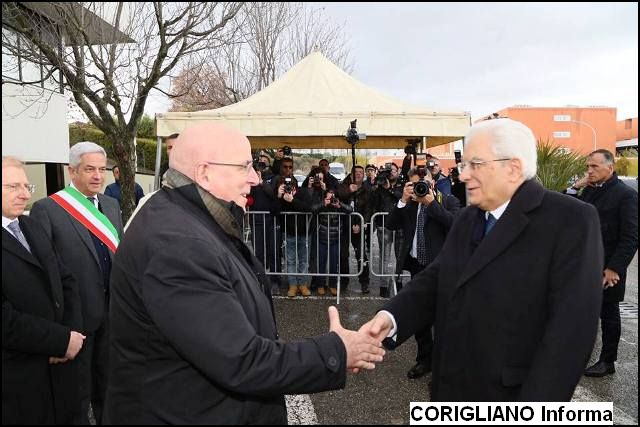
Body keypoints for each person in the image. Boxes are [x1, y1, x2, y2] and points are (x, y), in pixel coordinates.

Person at [103, 123, 385, 424]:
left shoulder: (189, 219)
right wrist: (337, 352)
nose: (255, 178)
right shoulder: (178, 244)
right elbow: (241, 360)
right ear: (204, 172)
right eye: (245, 166)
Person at [360, 118, 604, 401]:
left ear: (512, 168)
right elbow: (437, 277)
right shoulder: (467, 217)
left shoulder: (571, 221)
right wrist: (391, 317)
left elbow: (571, 333)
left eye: (474, 165)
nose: (463, 176)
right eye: (464, 166)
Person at [30, 142, 124, 424]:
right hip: (75, 318)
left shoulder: (111, 205)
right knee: (76, 395)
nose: (98, 176)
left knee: (110, 388)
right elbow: (44, 272)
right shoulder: (47, 209)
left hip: (112, 313)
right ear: (72, 171)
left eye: (101, 169)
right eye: (89, 169)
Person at [2, 157, 85, 425]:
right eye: (13, 186)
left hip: (61, 377)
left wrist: (71, 337)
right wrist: (59, 340)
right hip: (18, 383)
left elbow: (67, 279)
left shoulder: (29, 225)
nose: (24, 194)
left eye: (26, 186)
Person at [567, 149, 638, 377]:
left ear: (610, 167)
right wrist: (576, 186)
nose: (589, 171)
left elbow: (631, 236)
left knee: (608, 314)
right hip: (585, 263)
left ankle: (608, 361)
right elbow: (567, 210)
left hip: (608, 267)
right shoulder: (589, 191)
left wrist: (614, 268)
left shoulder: (625, 195)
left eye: (594, 167)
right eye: (588, 166)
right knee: (583, 312)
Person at [387, 167, 460, 379]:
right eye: (414, 183)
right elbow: (391, 224)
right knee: (420, 318)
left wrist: (431, 204)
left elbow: (455, 224)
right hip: (417, 266)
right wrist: (402, 200)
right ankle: (424, 359)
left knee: (443, 316)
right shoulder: (409, 205)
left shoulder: (448, 201)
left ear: (433, 182)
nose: (420, 187)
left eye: (424, 182)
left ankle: (445, 362)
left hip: (442, 267)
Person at [125, 133, 179, 231]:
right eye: (169, 147)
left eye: (175, 147)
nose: (172, 151)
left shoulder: (192, 170)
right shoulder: (164, 168)